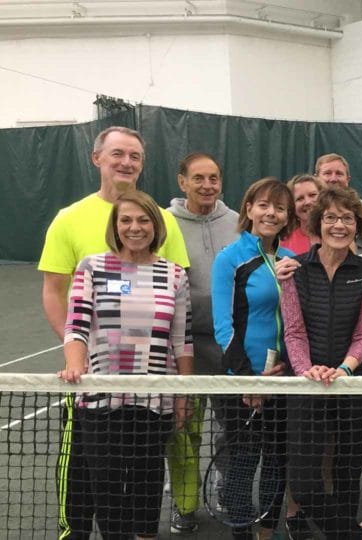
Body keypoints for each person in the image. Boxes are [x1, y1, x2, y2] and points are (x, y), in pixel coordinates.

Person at [38, 125, 190, 540]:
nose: (126, 163)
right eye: (118, 154)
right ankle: (77, 532)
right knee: (87, 474)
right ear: (97, 158)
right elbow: (56, 294)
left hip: (152, 390)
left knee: (143, 477)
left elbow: (175, 309)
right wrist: (79, 356)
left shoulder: (166, 224)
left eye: (135, 156)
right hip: (93, 380)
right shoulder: (69, 220)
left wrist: (180, 384)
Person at [280, 185, 362, 540]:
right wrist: (307, 369)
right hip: (307, 383)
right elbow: (293, 331)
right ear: (317, 224)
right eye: (331, 217)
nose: (339, 225)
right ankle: (351, 535)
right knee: (304, 482)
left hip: (352, 382)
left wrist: (344, 369)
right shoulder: (294, 270)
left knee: (347, 471)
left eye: (348, 218)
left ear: (357, 225)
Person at [211, 177, 295, 540]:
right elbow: (223, 327)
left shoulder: (291, 260)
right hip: (242, 381)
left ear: (287, 215)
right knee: (243, 464)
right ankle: (242, 534)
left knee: (278, 462)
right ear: (248, 209)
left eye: (278, 207)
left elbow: (296, 322)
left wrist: (287, 368)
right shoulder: (229, 259)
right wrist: (249, 379)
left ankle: (266, 532)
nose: (270, 212)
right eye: (263, 204)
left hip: (284, 380)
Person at [166, 152, 239, 535]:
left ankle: (227, 488)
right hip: (185, 347)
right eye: (198, 178)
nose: (207, 185)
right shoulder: (165, 222)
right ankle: (186, 503)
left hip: (228, 346)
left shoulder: (238, 222)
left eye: (213, 178)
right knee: (184, 428)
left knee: (232, 426)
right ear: (182, 182)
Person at [282, 174, 322, 254]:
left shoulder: (338, 235)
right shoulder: (283, 243)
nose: (307, 202)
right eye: (300, 199)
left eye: (312, 195)